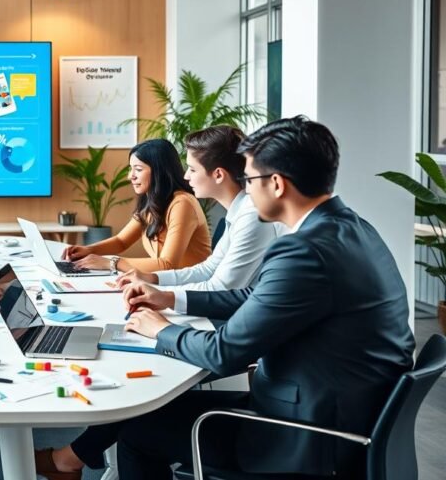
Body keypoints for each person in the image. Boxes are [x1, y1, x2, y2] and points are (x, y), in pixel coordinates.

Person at [36, 116, 415, 480]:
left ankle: (66, 462)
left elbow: (225, 353)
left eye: (249, 179)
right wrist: (168, 298)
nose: (245, 190)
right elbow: (254, 295)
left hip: (306, 437)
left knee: (139, 433)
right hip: (342, 414)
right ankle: (69, 462)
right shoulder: (352, 229)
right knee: (151, 410)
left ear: (277, 184)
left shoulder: (304, 251)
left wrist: (161, 331)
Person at [116, 126, 282, 294]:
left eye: (193, 169)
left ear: (218, 175)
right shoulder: (238, 212)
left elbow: (221, 288)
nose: (186, 176)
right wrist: (151, 279)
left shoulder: (251, 216)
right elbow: (208, 270)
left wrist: (160, 293)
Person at [63, 138, 211, 273]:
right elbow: (121, 241)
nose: (130, 176)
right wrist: (87, 250)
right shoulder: (150, 203)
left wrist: (110, 263)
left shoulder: (182, 204)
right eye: (130, 168)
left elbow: (168, 265)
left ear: (160, 172)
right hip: (166, 285)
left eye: (138, 169)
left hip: (191, 290)